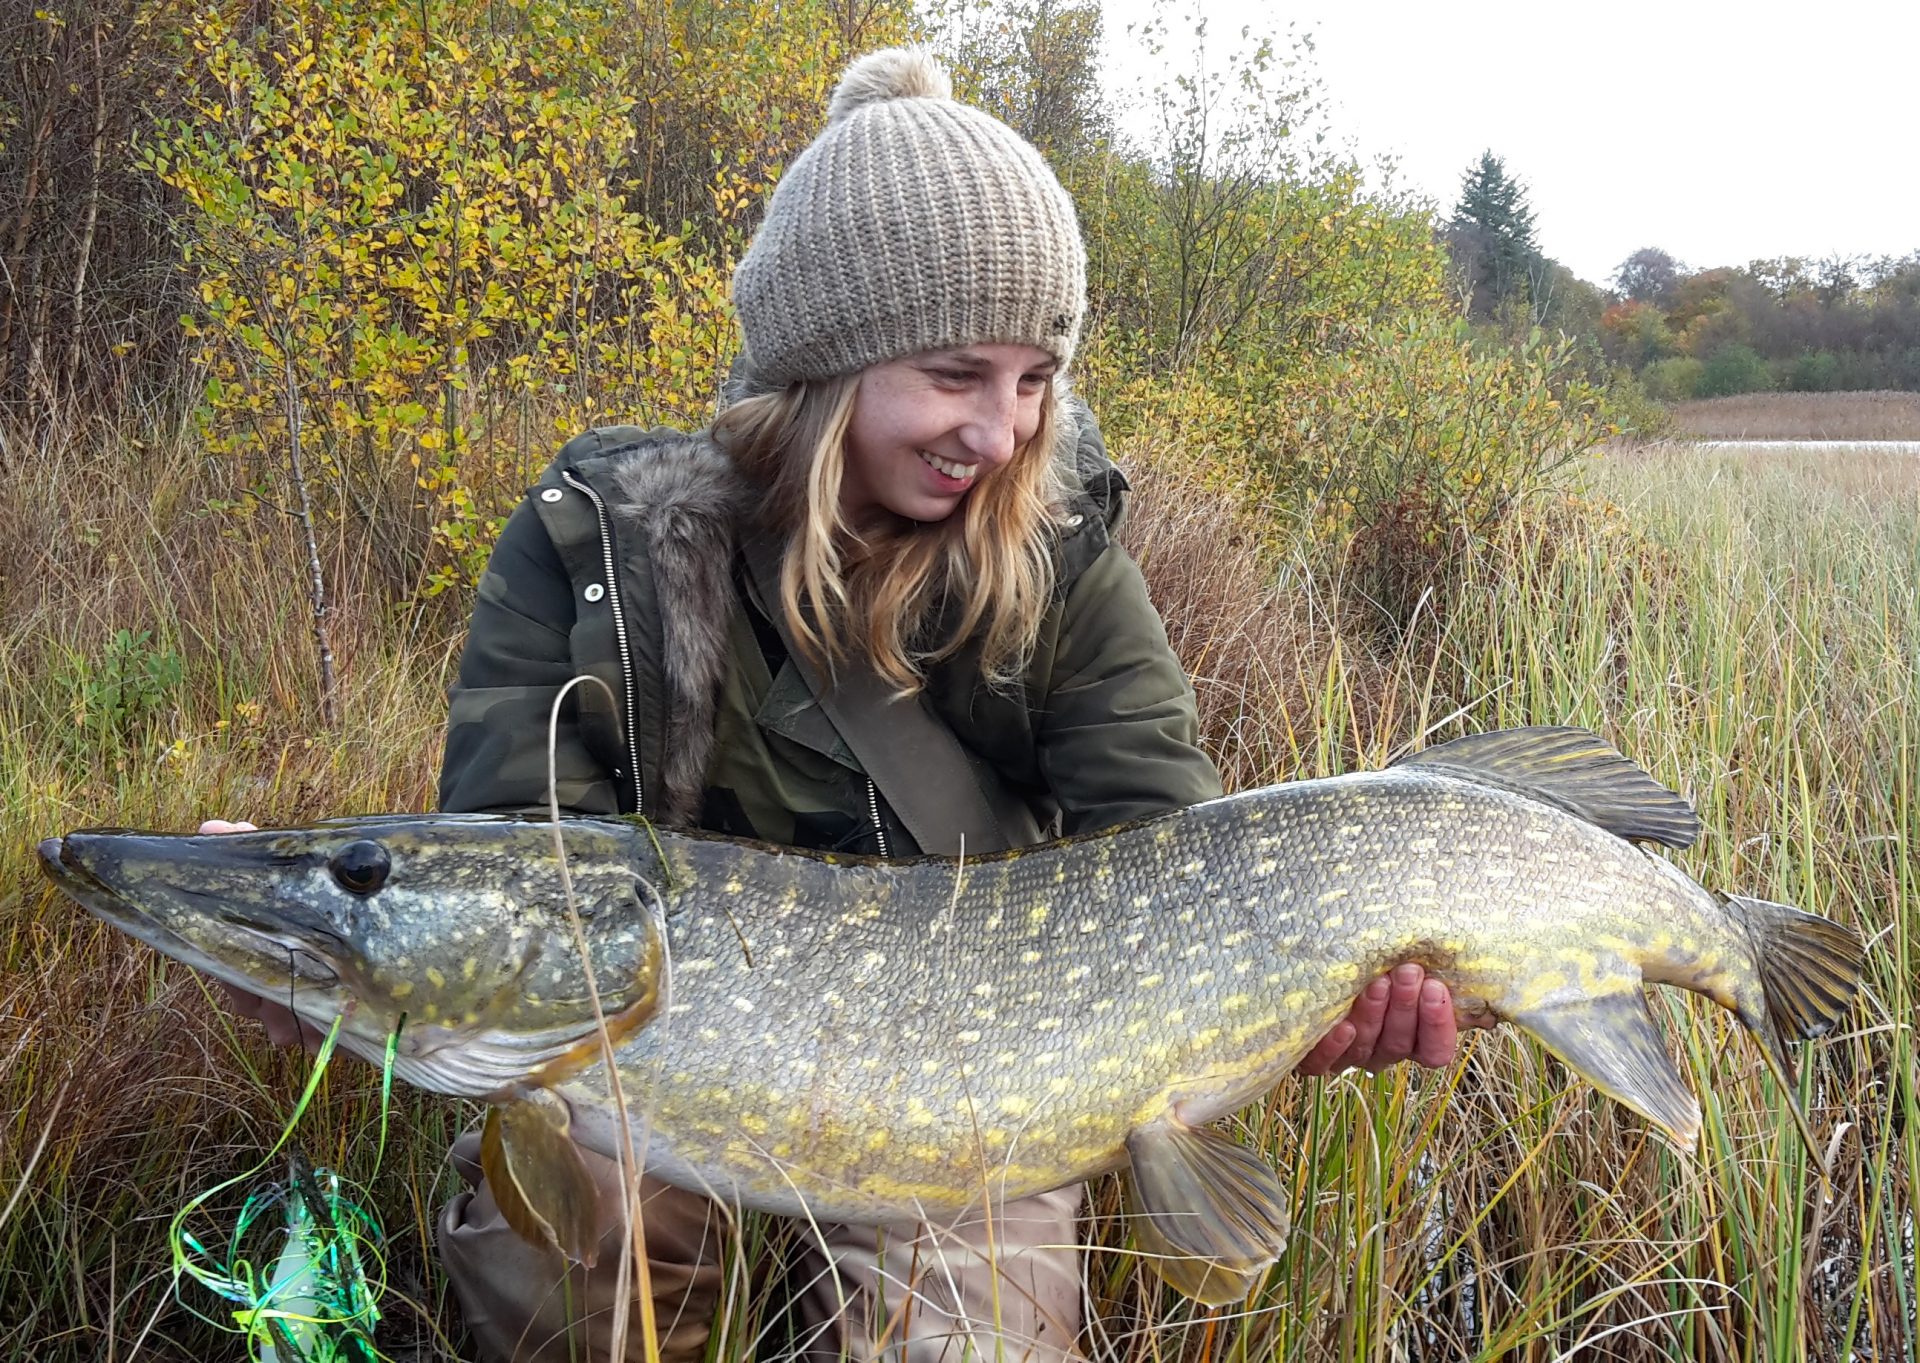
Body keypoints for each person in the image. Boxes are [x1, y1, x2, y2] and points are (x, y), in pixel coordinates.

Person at [210, 46, 1476, 1363]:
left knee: (959, 1341)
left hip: (991, 1088)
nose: (1001, 431)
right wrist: (337, 937)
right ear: (826, 361)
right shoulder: (599, 546)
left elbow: (1182, 861)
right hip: (653, 1072)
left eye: (1033, 379)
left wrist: (1295, 1005)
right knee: (572, 1245)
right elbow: (524, 875)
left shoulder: (1062, 565)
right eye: (955, 373)